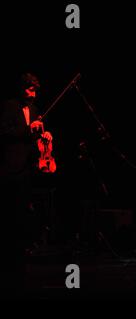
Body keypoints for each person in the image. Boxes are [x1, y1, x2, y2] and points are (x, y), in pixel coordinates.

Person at [0, 72, 53, 298]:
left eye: (35, 90)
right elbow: (3, 132)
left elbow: (36, 135)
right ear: (22, 88)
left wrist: (45, 135)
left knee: (23, 215)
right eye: (29, 89)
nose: (33, 94)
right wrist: (26, 130)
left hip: (27, 170)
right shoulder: (8, 107)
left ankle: (21, 256)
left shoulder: (34, 110)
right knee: (8, 217)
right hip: (8, 169)